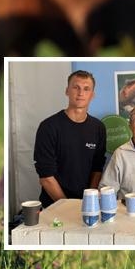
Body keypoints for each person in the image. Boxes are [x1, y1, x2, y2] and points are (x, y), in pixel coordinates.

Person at [33, 70, 106, 208]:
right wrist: (68, 207)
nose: (80, 93)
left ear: (92, 95)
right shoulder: (48, 127)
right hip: (54, 207)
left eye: (86, 89)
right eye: (76, 87)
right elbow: (46, 177)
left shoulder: (98, 128)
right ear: (67, 91)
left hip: (86, 207)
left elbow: (97, 168)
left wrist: (89, 201)